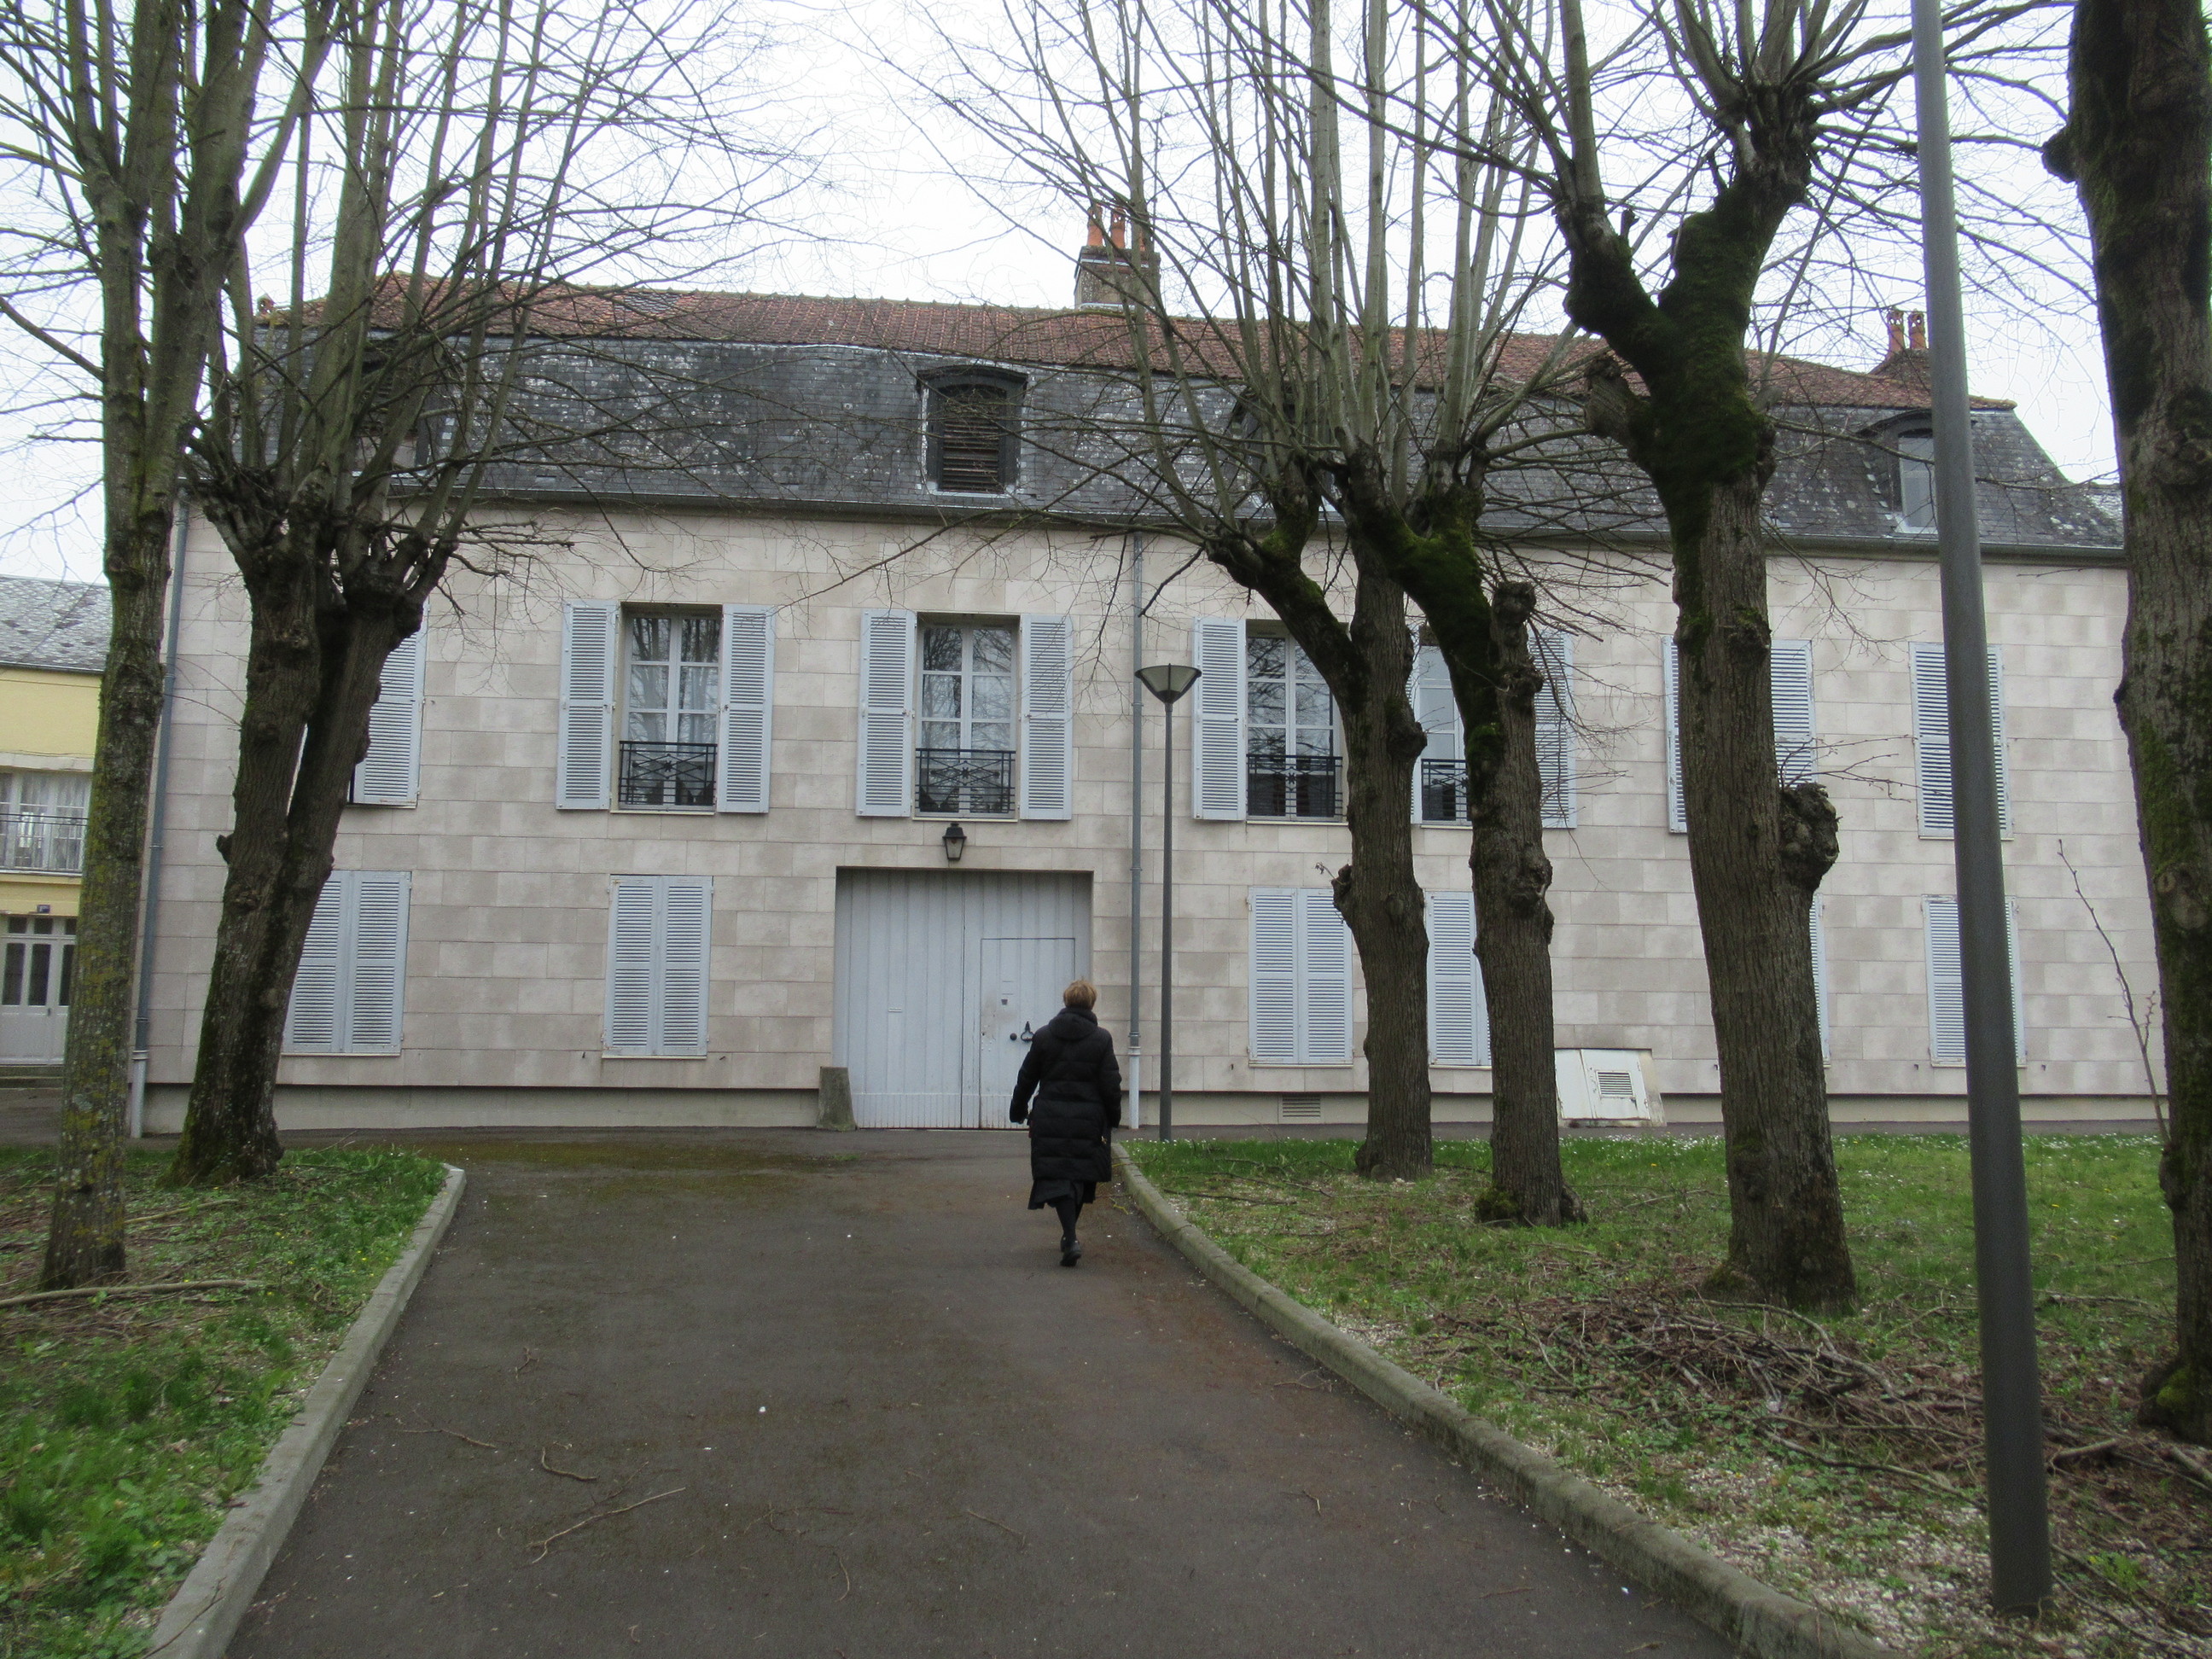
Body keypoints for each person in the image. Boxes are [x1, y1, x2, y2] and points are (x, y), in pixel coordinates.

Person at [1009, 978, 1122, 1266]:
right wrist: (1114, 1116)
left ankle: (1070, 1237)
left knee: (1058, 1176)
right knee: (1080, 1175)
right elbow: (1111, 1083)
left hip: (1050, 1117)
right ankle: (1069, 1236)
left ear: (1066, 1001)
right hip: (1089, 1119)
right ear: (1092, 1003)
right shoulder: (1101, 1039)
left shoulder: (1044, 1036)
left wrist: (1018, 1109)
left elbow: (1027, 1077)